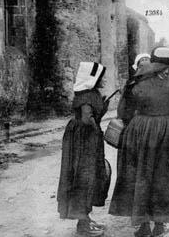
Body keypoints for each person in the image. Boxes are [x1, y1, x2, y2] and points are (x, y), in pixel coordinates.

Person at [109, 46, 169, 237]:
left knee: (141, 177)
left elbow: (123, 113)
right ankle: (160, 224)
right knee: (164, 179)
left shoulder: (136, 85)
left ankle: (142, 226)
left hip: (140, 135)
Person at [57, 62, 110, 237]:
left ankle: (84, 220)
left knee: (86, 178)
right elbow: (87, 119)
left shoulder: (87, 94)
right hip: (84, 140)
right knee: (84, 178)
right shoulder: (88, 95)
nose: (102, 80)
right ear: (92, 78)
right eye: (100, 77)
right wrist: (97, 130)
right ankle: (83, 224)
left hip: (83, 138)